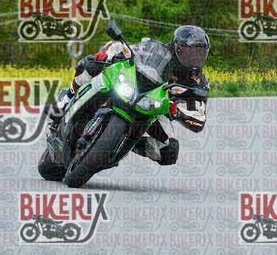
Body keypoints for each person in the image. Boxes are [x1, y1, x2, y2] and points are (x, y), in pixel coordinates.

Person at [51, 25, 210, 166]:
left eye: (200, 52)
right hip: (130, 86)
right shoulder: (156, 49)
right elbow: (125, 48)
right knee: (91, 63)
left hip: (155, 108)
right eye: (192, 51)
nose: (195, 57)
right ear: (178, 47)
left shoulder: (198, 81)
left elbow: (199, 119)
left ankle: (125, 142)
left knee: (170, 152)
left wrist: (178, 112)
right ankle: (65, 100)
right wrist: (108, 54)